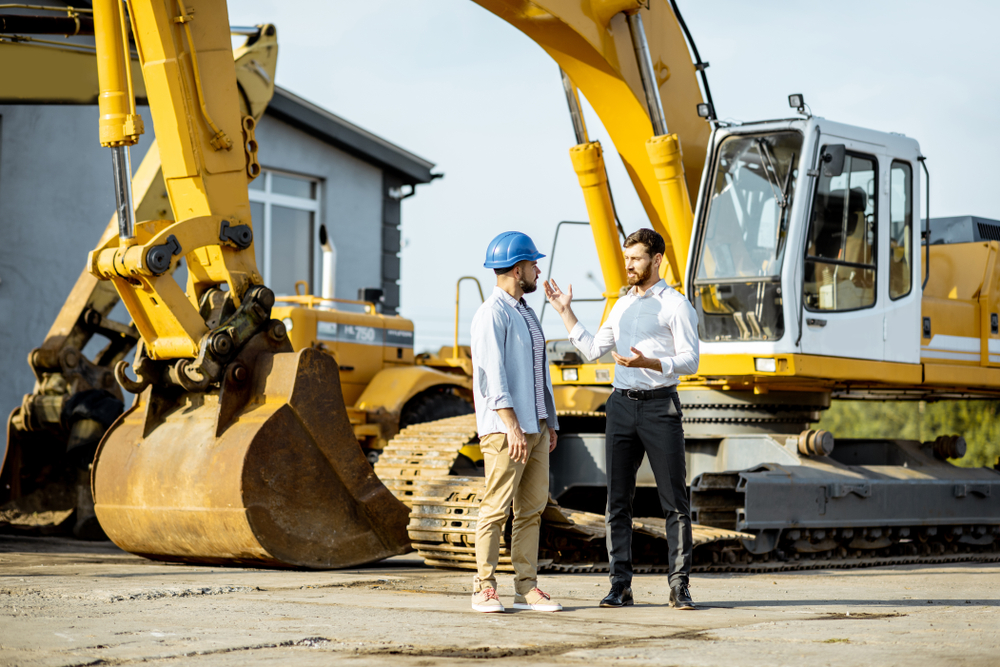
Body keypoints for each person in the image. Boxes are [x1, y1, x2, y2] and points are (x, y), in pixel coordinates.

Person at [543, 228, 699, 610]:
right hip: (621, 406)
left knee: (674, 503)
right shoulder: (622, 304)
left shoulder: (676, 305)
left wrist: (650, 362)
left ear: (657, 259)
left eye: (636, 258)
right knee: (617, 502)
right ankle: (620, 586)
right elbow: (595, 349)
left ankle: (679, 587)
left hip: (661, 407)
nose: (628, 265)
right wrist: (565, 311)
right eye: (626, 258)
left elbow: (692, 361)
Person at [469, 231, 562, 614]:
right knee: (496, 507)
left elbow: (539, 372)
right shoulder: (492, 313)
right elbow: (491, 376)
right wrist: (510, 424)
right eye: (533, 264)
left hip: (535, 427)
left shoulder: (524, 311)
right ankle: (483, 588)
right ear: (517, 268)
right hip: (507, 429)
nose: (539, 270)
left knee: (531, 509)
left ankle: (526, 587)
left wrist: (549, 422)